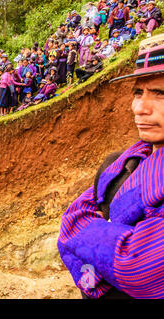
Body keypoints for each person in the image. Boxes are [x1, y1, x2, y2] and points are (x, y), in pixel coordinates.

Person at [58, 34, 164, 299]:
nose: (140, 107)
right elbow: (72, 217)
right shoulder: (120, 164)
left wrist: (89, 235)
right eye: (138, 92)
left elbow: (137, 268)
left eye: (160, 94)